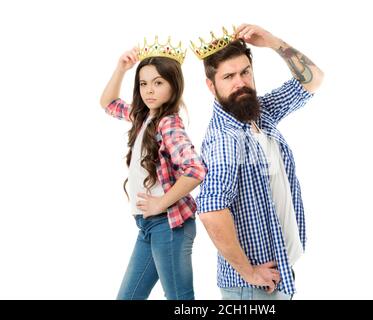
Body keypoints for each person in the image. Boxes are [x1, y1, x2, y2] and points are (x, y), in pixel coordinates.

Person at [193, 24, 324, 300]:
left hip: (278, 276)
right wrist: (249, 272)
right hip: (253, 288)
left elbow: (312, 80)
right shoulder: (225, 139)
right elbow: (211, 211)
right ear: (211, 85)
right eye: (228, 76)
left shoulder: (258, 113)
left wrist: (274, 42)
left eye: (245, 72)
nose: (240, 82)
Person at [99, 38, 206, 300]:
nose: (149, 90)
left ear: (174, 84)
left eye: (158, 82)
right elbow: (108, 103)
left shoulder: (168, 123)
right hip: (147, 226)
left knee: (180, 300)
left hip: (168, 225)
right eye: (144, 83)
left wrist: (160, 204)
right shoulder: (143, 116)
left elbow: (195, 169)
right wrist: (121, 69)